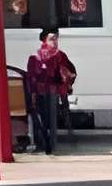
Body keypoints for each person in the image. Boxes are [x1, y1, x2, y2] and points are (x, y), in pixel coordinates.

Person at [23, 28, 77, 156]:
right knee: (41, 118)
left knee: (52, 119)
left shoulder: (60, 55)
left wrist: (65, 78)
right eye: (52, 39)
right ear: (44, 40)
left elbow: (71, 70)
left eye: (56, 38)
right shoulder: (35, 56)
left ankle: (52, 143)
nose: (55, 41)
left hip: (54, 91)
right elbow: (31, 75)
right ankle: (41, 143)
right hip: (40, 92)